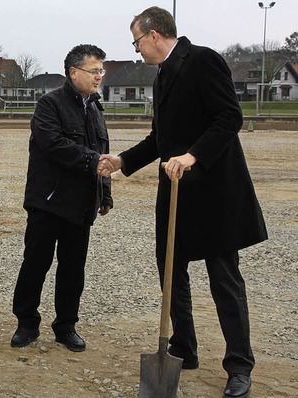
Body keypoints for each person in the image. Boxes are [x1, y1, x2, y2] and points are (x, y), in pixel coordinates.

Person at [98, 7, 267, 398]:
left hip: (214, 192)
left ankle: (239, 365)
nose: (137, 50)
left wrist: (192, 156)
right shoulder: (163, 78)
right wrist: (124, 161)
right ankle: (184, 348)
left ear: (155, 35)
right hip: (175, 195)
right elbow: (161, 138)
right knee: (171, 273)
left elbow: (229, 117)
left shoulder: (203, 61)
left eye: (137, 42)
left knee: (225, 281)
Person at [10, 44, 113, 352]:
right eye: (94, 71)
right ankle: (26, 323)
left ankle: (66, 326)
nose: (99, 78)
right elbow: (52, 144)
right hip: (48, 202)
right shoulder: (49, 105)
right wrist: (91, 161)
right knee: (35, 265)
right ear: (74, 73)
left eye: (101, 72)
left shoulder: (95, 108)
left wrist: (104, 194)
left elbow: (102, 153)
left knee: (72, 269)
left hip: (81, 206)